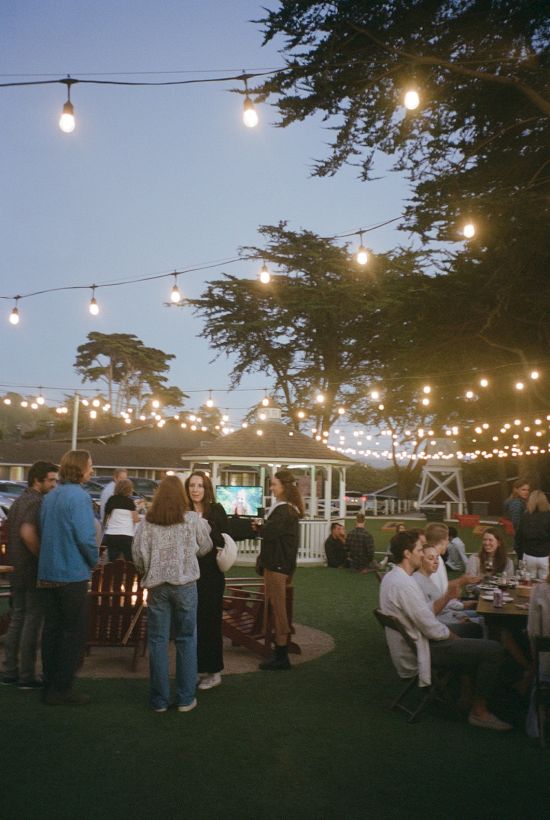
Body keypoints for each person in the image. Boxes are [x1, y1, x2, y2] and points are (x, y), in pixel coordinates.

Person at [379, 530, 511, 730]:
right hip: (422, 649)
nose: (422, 554)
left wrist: (448, 597)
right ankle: (479, 711)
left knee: (473, 631)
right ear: (407, 554)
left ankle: (466, 692)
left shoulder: (394, 577)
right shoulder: (403, 584)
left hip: (415, 641)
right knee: (493, 650)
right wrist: (454, 638)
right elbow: (431, 628)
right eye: (419, 550)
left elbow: (424, 612)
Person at [132, 476, 213, 713]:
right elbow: (206, 546)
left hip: (157, 586)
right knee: (186, 639)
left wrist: (145, 570)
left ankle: (159, 700)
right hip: (186, 584)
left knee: (157, 641)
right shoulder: (191, 520)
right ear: (182, 495)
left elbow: (137, 554)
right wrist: (189, 554)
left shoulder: (147, 522)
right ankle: (186, 698)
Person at [38, 450, 98, 706]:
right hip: (71, 574)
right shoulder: (80, 498)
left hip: (47, 573)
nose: (92, 470)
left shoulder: (50, 497)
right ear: (81, 468)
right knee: (72, 634)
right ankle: (63, 689)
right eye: (90, 465)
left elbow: (43, 529)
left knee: (51, 631)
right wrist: (94, 560)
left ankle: (50, 684)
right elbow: (85, 537)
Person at [2, 461, 58, 688]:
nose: (54, 485)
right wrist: (43, 558)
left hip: (16, 568)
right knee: (32, 622)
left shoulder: (17, 502)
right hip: (31, 569)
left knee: (18, 618)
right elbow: (27, 533)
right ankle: (26, 676)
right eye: (51, 480)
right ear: (38, 480)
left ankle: (9, 671)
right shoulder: (36, 502)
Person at [254, 469, 304, 671]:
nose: (271, 487)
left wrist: (258, 527)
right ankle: (279, 650)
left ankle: (282, 655)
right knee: (276, 607)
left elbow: (269, 532)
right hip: (281, 565)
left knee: (278, 609)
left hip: (277, 565)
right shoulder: (288, 509)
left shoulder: (284, 510)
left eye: (274, 484)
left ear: (284, 486)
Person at [184, 470, 227, 691]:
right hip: (188, 574)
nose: (195, 489)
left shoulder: (216, 511)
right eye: (192, 485)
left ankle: (214, 671)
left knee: (210, 622)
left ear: (206, 488)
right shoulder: (183, 512)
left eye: (200, 485)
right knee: (191, 624)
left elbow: (223, 538)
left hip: (210, 575)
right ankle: (195, 668)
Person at [413, 545, 482, 638]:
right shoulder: (417, 582)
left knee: (485, 616)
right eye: (430, 558)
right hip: (444, 627)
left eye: (437, 558)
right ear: (420, 560)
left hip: (452, 617)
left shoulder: (428, 579)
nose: (436, 562)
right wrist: (458, 620)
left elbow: (443, 607)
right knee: (482, 624)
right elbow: (429, 618)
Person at [102, 478, 140, 562]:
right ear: (129, 489)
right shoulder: (130, 502)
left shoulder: (111, 500)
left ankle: (112, 574)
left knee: (112, 561)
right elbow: (135, 519)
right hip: (126, 535)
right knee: (128, 561)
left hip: (111, 534)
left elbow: (106, 516)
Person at [516, 490, 550, 580]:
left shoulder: (525, 516)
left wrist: (519, 555)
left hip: (529, 555)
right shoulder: (548, 516)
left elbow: (519, 536)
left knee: (528, 586)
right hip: (545, 557)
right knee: (546, 587)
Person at [503, 478, 530, 559]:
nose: (526, 492)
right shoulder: (516, 503)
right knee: (520, 561)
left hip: (518, 538)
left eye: (528, 490)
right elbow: (516, 523)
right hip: (519, 539)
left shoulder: (519, 501)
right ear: (516, 490)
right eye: (523, 490)